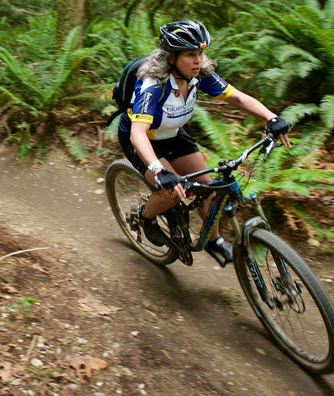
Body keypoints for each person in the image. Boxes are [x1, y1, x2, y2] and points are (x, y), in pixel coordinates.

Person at [116, 19, 291, 265]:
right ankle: (145, 217)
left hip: (173, 134)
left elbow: (238, 99)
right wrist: (159, 170)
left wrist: (271, 117)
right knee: (171, 192)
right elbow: (138, 134)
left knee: (207, 187)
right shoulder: (153, 85)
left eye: (200, 53)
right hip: (143, 139)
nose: (198, 60)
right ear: (171, 58)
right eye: (190, 54)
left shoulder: (200, 75)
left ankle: (213, 239)